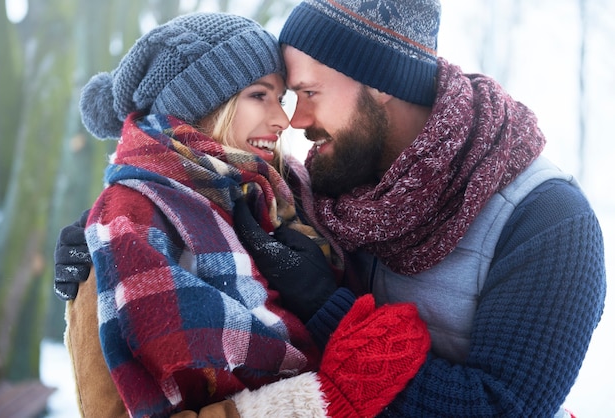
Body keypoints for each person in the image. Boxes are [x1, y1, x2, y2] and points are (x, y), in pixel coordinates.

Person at [56, 1, 606, 416]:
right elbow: (212, 193)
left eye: (308, 92)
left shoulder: (549, 221)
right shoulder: (329, 181)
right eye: (279, 97)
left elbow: (502, 408)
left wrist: (327, 305)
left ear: (382, 82)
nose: (294, 121)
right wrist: (114, 228)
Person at [54, 10, 430, 418]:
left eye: (281, 97)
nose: (284, 120)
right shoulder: (130, 219)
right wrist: (321, 400)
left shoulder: (288, 192)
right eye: (259, 95)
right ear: (201, 103)